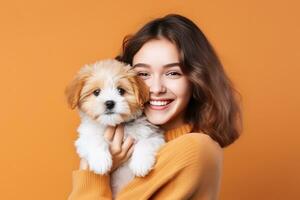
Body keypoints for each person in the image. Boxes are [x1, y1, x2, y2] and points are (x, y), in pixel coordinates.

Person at [68, 14, 242, 200]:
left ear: (196, 79)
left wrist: (94, 175)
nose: (156, 89)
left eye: (173, 73)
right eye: (143, 74)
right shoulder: (124, 137)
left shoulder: (194, 148)